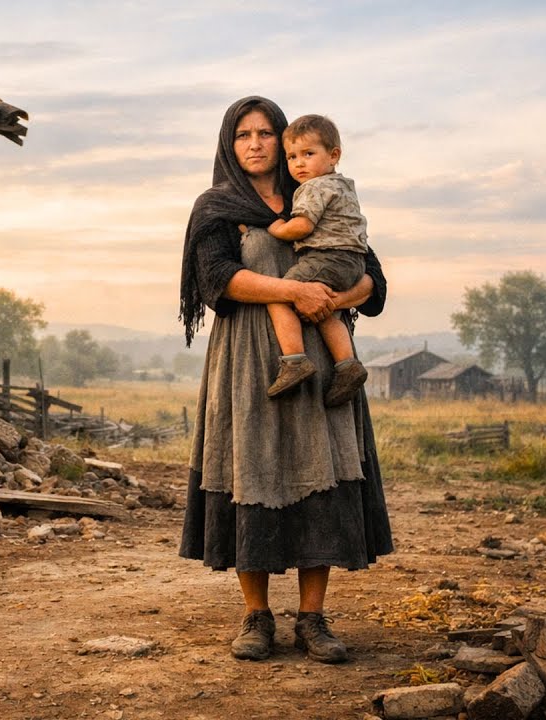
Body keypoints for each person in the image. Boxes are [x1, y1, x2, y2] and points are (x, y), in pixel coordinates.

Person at [177, 96, 393, 664]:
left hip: (321, 354)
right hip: (248, 360)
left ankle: (313, 619)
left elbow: (371, 275)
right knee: (253, 471)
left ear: (284, 139)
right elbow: (216, 279)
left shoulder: (318, 194)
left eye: (266, 133)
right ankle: (256, 617)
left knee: (317, 474)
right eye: (243, 134)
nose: (255, 144)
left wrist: (334, 299)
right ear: (229, 143)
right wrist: (293, 290)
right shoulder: (218, 206)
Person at [264, 114, 370, 407]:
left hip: (327, 256)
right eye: (291, 157)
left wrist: (278, 228)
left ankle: (294, 361)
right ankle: (348, 365)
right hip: (353, 261)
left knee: (279, 294)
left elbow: (303, 226)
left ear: (334, 155)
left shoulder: (314, 187)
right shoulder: (343, 185)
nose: (299, 163)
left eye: (308, 154)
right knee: (326, 310)